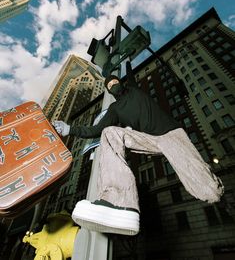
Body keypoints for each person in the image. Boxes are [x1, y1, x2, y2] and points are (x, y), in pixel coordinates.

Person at [52, 62, 224, 236]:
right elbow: (95, 130)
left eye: (115, 82)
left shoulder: (134, 89)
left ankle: (218, 192)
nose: (113, 86)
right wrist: (70, 129)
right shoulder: (114, 109)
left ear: (121, 82)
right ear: (109, 91)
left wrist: (126, 61)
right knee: (109, 133)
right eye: (109, 86)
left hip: (171, 134)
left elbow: (131, 74)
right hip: (148, 139)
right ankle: (119, 201)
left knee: (206, 188)